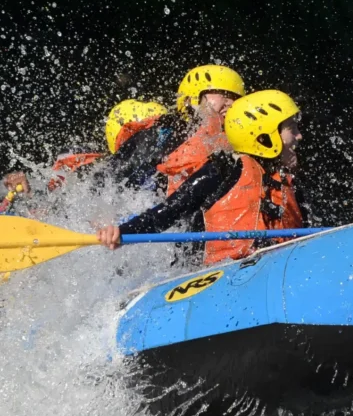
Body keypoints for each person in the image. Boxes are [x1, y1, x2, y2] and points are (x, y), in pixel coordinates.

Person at [96, 90, 304, 265]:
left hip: (276, 262)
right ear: (263, 137)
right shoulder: (223, 171)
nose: (299, 136)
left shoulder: (284, 179)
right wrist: (122, 232)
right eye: (291, 129)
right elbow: (169, 211)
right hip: (229, 271)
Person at [105, 64, 245, 191]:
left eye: (235, 98)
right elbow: (113, 178)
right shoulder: (163, 134)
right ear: (190, 100)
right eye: (224, 95)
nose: (230, 103)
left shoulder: (237, 141)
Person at [1, 99, 168, 198]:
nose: (157, 148)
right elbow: (52, 203)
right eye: (149, 139)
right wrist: (28, 193)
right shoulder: (92, 176)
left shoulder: (175, 174)